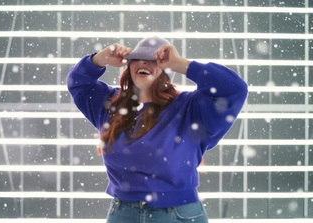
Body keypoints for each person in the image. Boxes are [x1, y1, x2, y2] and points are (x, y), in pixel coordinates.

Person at [67, 36, 248, 223]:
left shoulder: (191, 108)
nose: (143, 62)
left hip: (178, 215)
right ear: (129, 66)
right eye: (136, 58)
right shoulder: (111, 104)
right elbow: (78, 83)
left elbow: (235, 89)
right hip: (123, 214)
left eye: (154, 59)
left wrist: (181, 64)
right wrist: (99, 59)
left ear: (167, 70)